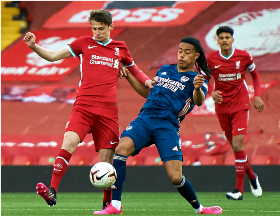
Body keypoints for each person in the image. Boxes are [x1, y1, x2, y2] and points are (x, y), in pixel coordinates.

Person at [23, 9, 155, 208]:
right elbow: (52, 56)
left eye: (101, 28)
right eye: (94, 28)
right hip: (83, 107)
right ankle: (52, 191)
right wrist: (34, 46)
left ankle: (107, 203)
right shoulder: (84, 43)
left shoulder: (120, 48)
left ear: (111, 27)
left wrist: (148, 82)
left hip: (108, 112)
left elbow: (136, 71)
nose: (97, 32)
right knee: (68, 141)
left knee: (106, 161)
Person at [93, 36, 223, 215]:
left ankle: (200, 209)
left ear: (196, 56)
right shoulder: (165, 70)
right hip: (145, 119)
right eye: (180, 51)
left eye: (187, 52)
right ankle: (115, 205)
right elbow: (148, 93)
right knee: (121, 149)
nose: (182, 55)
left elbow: (198, 101)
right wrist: (128, 75)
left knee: (175, 177)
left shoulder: (198, 79)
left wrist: (196, 88)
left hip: (167, 126)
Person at [207, 26, 264, 200]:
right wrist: (211, 92)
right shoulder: (210, 59)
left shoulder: (244, 56)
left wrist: (257, 96)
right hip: (222, 108)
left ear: (232, 39)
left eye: (227, 37)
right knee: (236, 149)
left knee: (238, 146)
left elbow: (255, 76)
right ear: (217, 40)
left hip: (240, 104)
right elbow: (206, 77)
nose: (224, 40)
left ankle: (238, 190)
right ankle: (253, 177)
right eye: (221, 37)